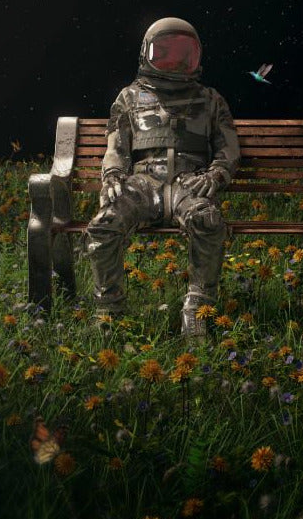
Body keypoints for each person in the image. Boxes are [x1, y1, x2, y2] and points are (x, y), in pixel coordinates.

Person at [85, 17, 240, 335]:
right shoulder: (129, 98)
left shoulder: (210, 100)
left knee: (208, 220)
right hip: (143, 182)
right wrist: (113, 175)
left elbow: (228, 148)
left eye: (184, 53)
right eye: (165, 52)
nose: (175, 60)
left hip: (190, 180)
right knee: (103, 224)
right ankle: (109, 313)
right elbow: (116, 146)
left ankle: (198, 311)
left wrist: (217, 174)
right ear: (147, 54)